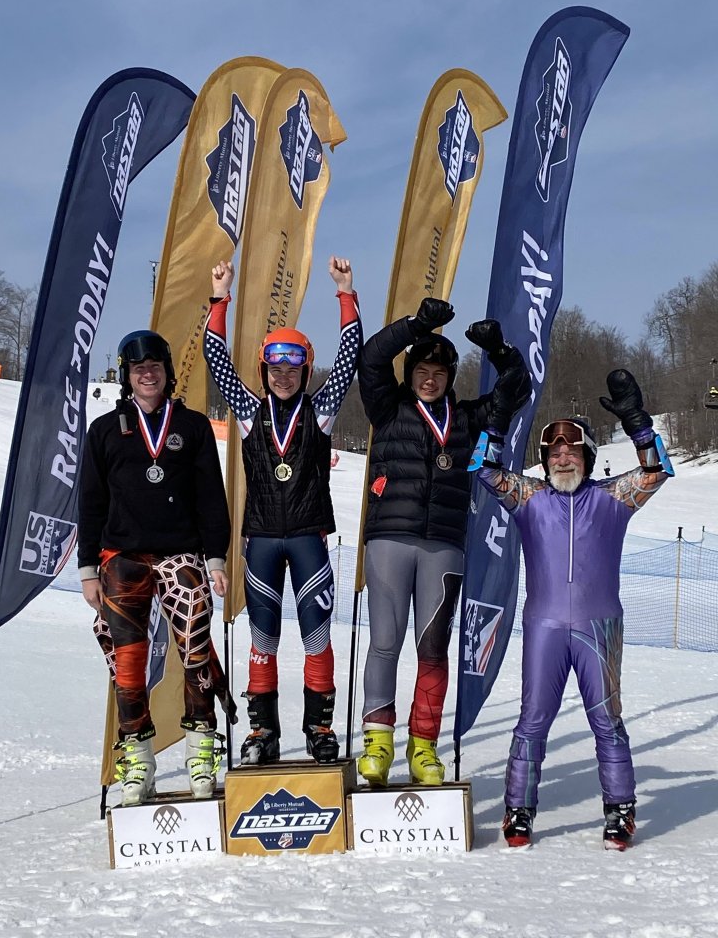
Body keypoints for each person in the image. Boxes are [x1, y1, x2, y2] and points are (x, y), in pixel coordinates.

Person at [475, 369, 672, 850]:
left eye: (573, 448)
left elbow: (655, 471)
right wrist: (497, 419)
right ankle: (518, 811)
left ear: (588, 456)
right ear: (544, 461)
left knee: (607, 721)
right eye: (554, 451)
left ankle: (619, 812)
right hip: (544, 626)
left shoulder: (611, 499)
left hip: (597, 626)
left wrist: (637, 423)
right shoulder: (530, 499)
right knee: (532, 720)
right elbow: (480, 467)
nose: (563, 455)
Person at [356, 298, 530, 787]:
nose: (429, 379)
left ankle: (424, 748)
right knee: (385, 643)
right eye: (421, 369)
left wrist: (499, 351)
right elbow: (370, 358)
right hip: (390, 538)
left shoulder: (469, 419)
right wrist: (416, 325)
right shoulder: (387, 408)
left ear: (451, 376)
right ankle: (377, 743)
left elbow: (517, 390)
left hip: (444, 546)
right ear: (410, 373)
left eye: (439, 371)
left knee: (433, 650)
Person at [204, 256, 361, 766]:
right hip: (263, 540)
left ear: (304, 368)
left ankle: (320, 729)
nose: (284, 376)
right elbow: (214, 357)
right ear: (264, 370)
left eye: (293, 368)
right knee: (262, 640)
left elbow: (350, 356)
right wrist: (220, 298)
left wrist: (345, 293)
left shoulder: (323, 408)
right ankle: (261, 734)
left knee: (317, 636)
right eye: (275, 368)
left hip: (310, 537)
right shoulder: (249, 411)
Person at [78, 330, 233, 806]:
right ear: (128, 375)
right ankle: (138, 761)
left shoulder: (193, 425)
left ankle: (201, 753)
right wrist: (87, 569)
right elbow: (90, 500)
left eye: (156, 367)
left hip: (180, 554)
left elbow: (211, 497)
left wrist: (216, 558)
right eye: (139, 368)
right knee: (128, 664)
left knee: (196, 651)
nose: (148, 374)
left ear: (168, 372)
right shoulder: (105, 429)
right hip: (121, 558)